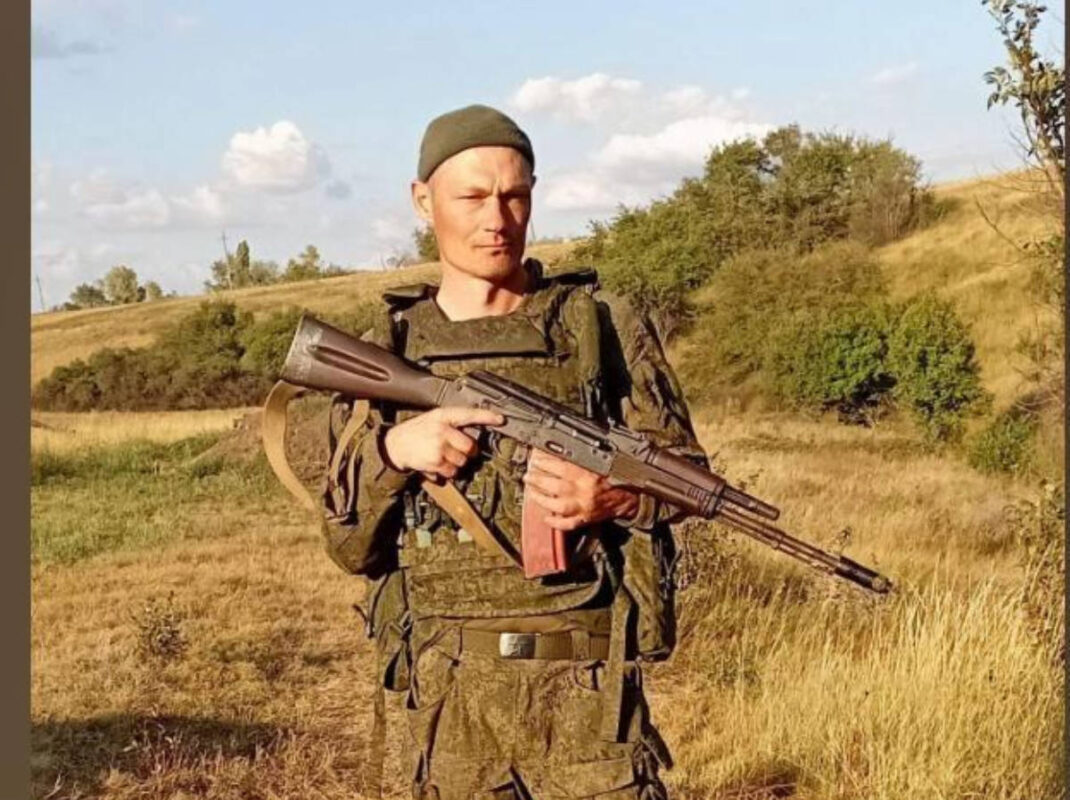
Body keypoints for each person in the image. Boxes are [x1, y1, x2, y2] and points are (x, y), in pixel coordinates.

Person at [320, 104, 708, 799]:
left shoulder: (600, 327)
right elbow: (349, 547)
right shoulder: (388, 350)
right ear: (422, 200)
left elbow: (690, 478)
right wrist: (392, 451)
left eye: (514, 195)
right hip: (444, 702)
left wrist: (613, 497)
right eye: (471, 197)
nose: (496, 219)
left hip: (586, 697)